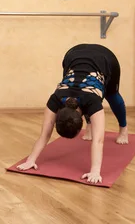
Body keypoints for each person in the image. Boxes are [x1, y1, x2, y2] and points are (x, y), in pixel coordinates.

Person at [16, 43, 128, 184]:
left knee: (112, 95)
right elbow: (44, 135)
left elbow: (98, 140)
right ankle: (89, 125)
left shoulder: (92, 101)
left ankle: (123, 128)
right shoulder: (55, 99)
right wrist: (30, 160)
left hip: (105, 58)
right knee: (84, 95)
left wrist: (95, 171)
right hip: (74, 54)